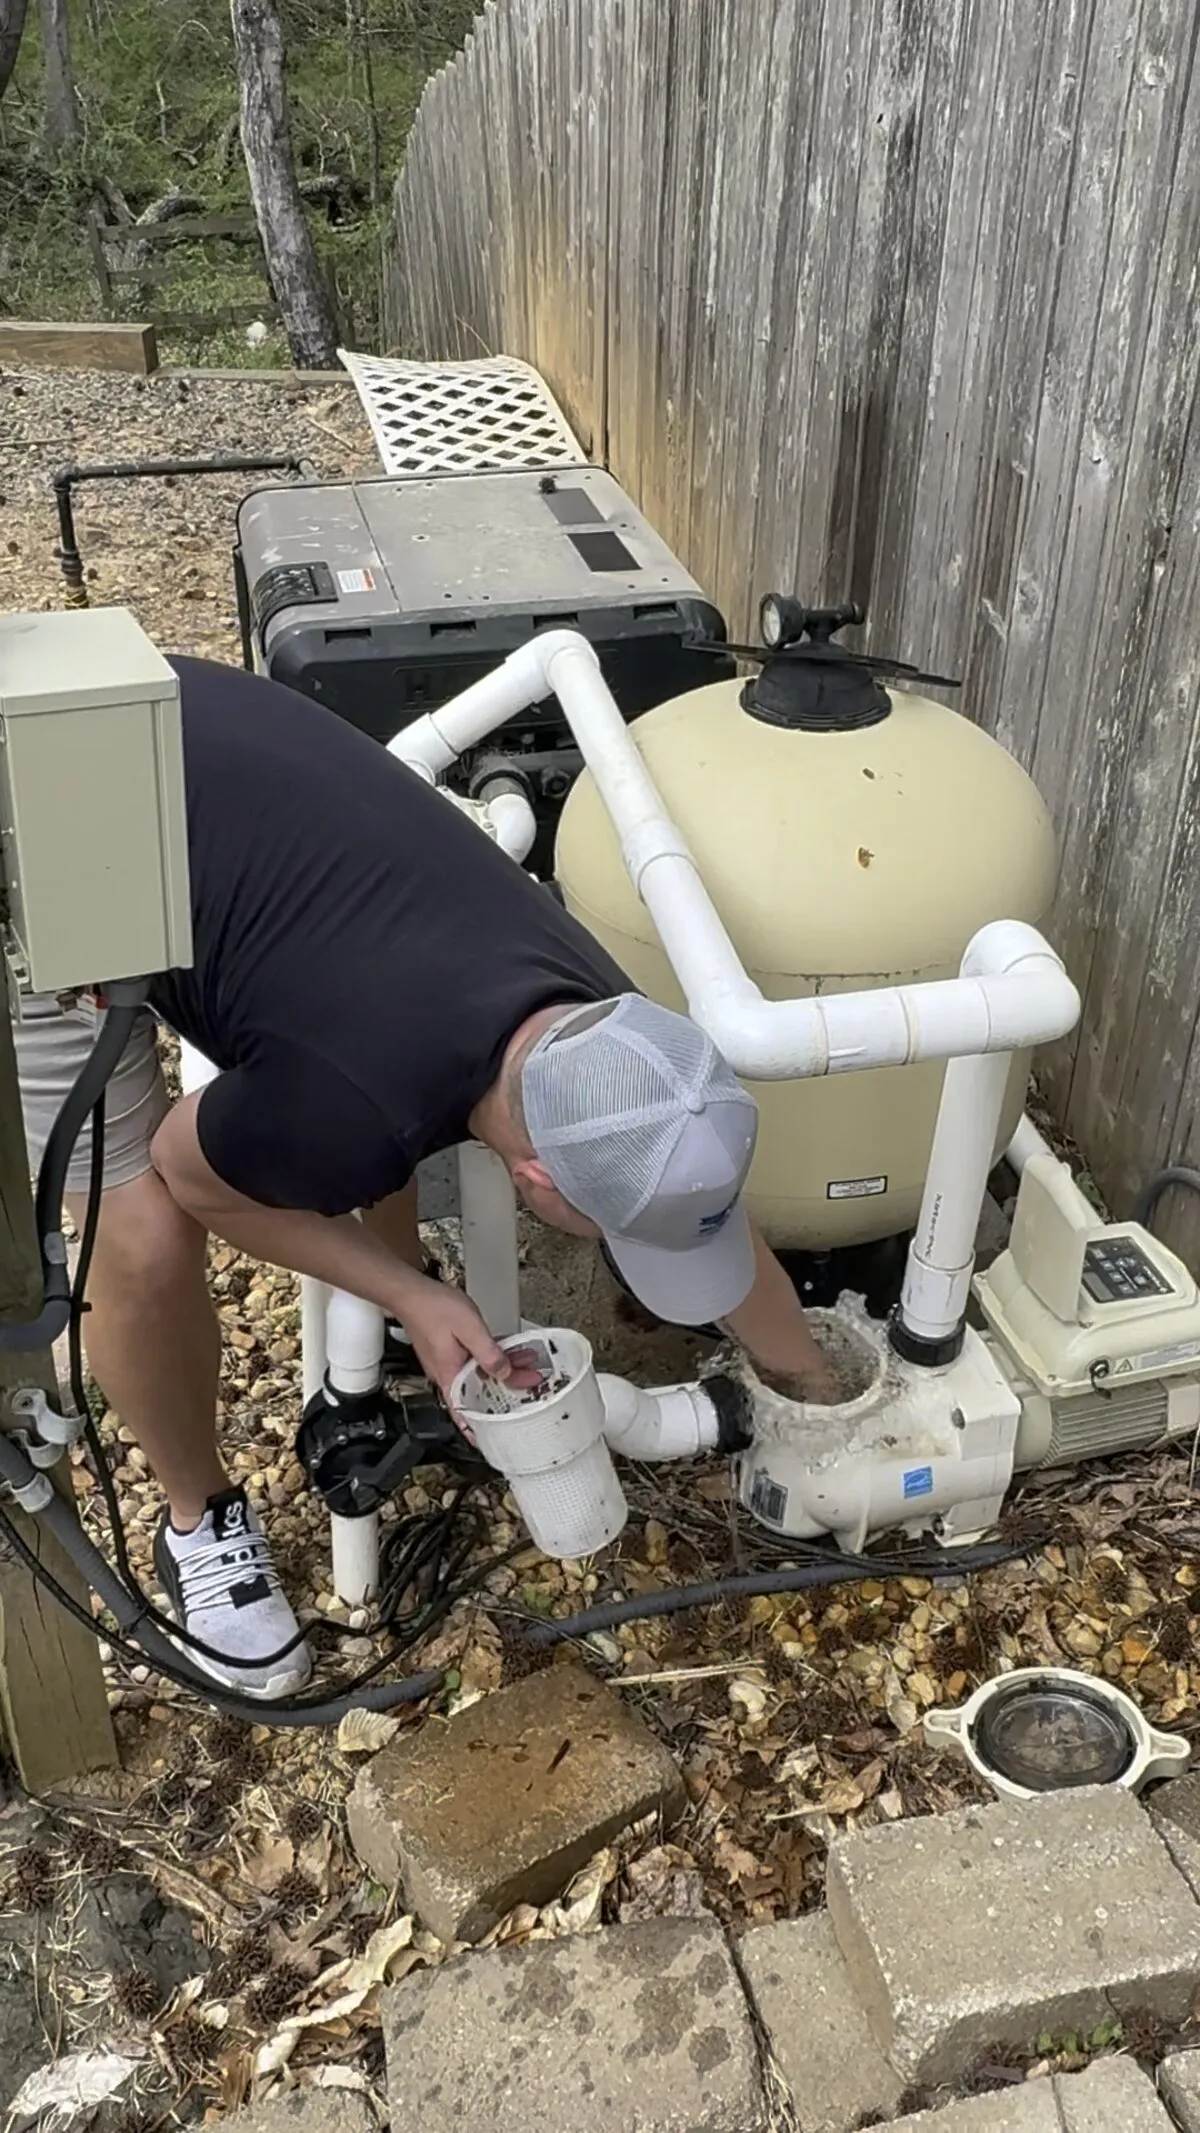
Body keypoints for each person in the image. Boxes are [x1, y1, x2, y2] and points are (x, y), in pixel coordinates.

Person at [15, 657, 834, 1699]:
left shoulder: (618, 1036)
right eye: (607, 1223)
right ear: (534, 1177)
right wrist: (410, 1291)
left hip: (205, 740)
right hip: (57, 820)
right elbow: (193, 1171)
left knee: (362, 1116)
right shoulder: (351, 1098)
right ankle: (199, 1517)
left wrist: (808, 1386)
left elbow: (678, 1166)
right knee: (140, 1235)